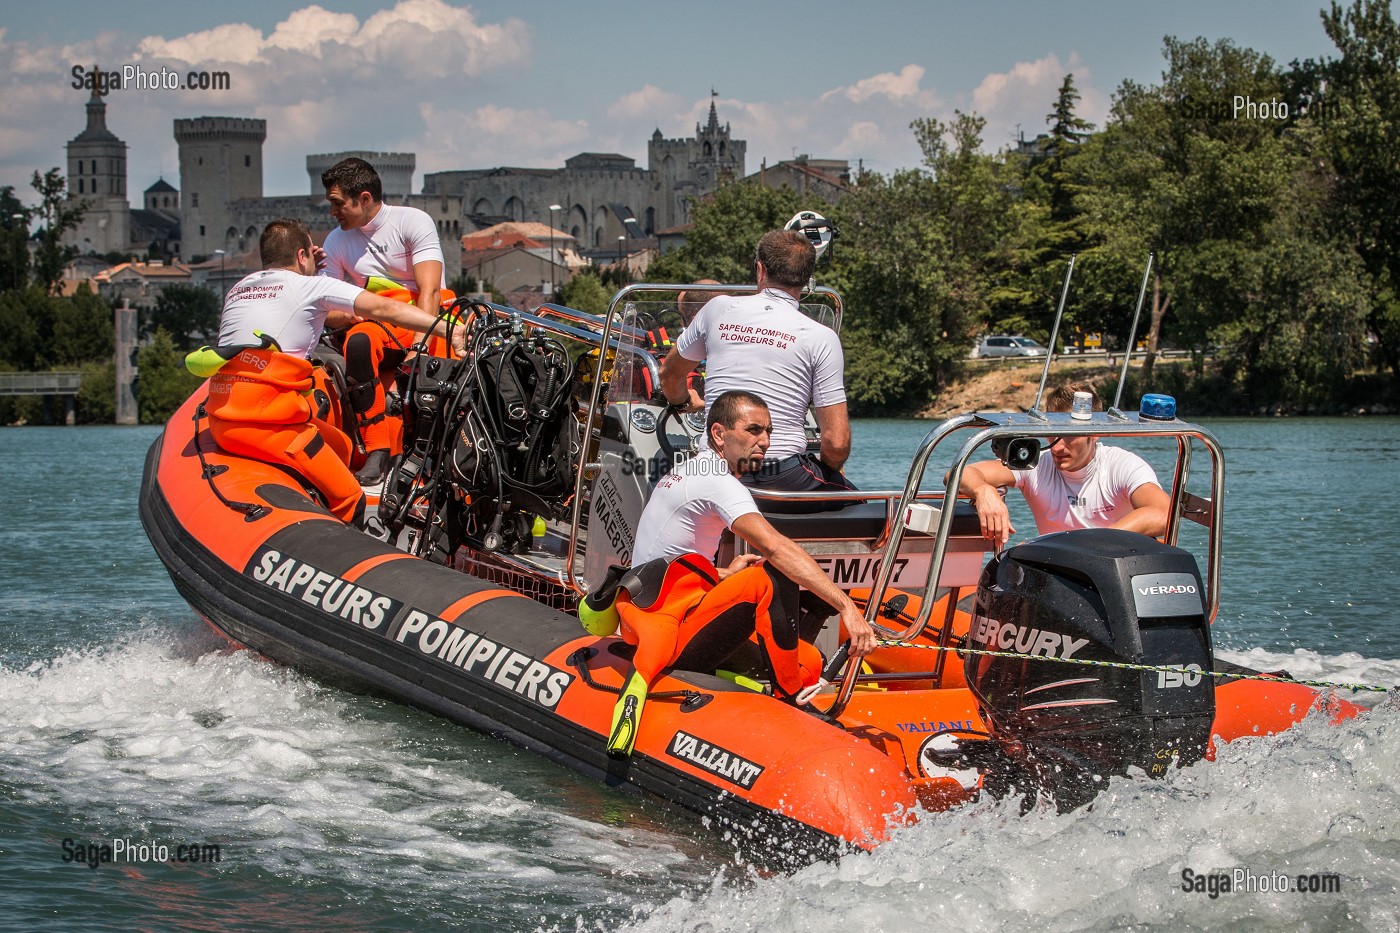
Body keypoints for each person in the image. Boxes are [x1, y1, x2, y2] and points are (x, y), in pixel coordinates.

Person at [586, 391, 878, 754]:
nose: (765, 442)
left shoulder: (694, 467)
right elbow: (776, 547)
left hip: (669, 613)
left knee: (811, 659)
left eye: (768, 431)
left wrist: (721, 573)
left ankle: (776, 681)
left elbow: (669, 559)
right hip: (669, 633)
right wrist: (847, 606)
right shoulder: (717, 481)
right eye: (753, 430)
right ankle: (791, 700)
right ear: (720, 434)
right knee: (773, 575)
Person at [197, 219, 464, 526]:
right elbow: (385, 310)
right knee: (351, 497)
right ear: (301, 255)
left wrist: (310, 266)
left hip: (221, 417)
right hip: (269, 424)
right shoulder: (312, 286)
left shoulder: (239, 288)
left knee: (344, 448)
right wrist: (449, 329)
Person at [658, 230, 854, 500]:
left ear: (760, 270)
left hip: (713, 469)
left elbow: (669, 374)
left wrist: (682, 400)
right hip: (783, 476)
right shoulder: (822, 337)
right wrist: (828, 473)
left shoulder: (717, 309)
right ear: (808, 280)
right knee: (877, 511)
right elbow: (836, 442)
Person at [319, 157, 451, 485]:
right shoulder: (335, 241)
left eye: (337, 204)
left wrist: (418, 346)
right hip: (377, 322)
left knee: (374, 339)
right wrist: (354, 312)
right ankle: (376, 449)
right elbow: (327, 307)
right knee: (359, 340)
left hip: (423, 319)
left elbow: (430, 291)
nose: (333, 212)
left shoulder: (412, 221)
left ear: (363, 199)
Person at [956, 382, 1171, 547]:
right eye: (1052, 435)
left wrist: (1085, 545)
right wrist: (983, 491)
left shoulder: (1121, 465)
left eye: (1069, 436)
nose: (1057, 448)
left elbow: (1162, 513)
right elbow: (959, 473)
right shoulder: (1036, 465)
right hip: (1057, 576)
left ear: (1093, 435)